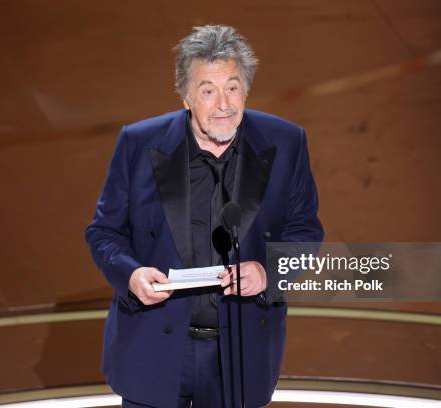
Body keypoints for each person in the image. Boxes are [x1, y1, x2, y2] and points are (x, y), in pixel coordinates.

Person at [85, 25, 323, 408]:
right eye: (208, 91)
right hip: (154, 351)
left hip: (240, 355)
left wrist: (267, 272)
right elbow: (104, 232)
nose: (223, 104)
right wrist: (131, 274)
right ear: (186, 98)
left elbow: (305, 232)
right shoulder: (138, 143)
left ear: (246, 89)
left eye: (232, 87)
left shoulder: (287, 142)